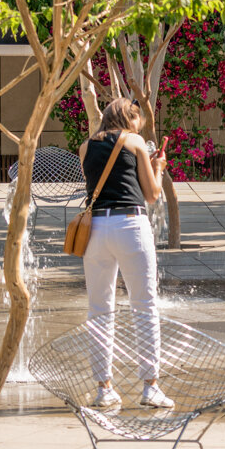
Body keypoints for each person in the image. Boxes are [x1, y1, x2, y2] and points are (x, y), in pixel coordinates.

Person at [79, 97, 173, 409]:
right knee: (144, 306)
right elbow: (151, 193)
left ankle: (104, 389)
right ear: (130, 118)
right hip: (130, 225)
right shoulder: (134, 141)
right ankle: (150, 387)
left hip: (95, 231)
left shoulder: (85, 146)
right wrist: (157, 167)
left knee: (99, 310)